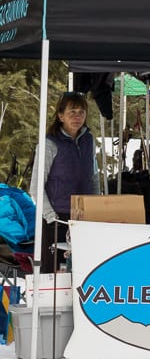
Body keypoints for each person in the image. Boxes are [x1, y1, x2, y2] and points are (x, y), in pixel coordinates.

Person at [31, 91, 98, 271]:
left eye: (81, 112)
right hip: (56, 217)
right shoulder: (49, 144)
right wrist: (51, 217)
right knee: (55, 270)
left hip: (84, 216)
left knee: (82, 269)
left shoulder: (88, 140)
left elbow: (93, 177)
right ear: (60, 116)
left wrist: (97, 206)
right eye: (72, 112)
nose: (77, 117)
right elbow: (36, 186)